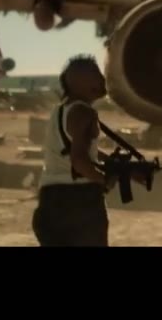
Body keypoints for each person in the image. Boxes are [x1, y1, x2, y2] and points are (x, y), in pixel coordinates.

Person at [33, 55, 119, 246]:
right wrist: (104, 180)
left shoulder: (60, 110)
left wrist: (114, 164)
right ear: (80, 82)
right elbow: (79, 162)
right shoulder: (84, 112)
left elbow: (74, 150)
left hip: (49, 201)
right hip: (79, 202)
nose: (103, 79)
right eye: (96, 75)